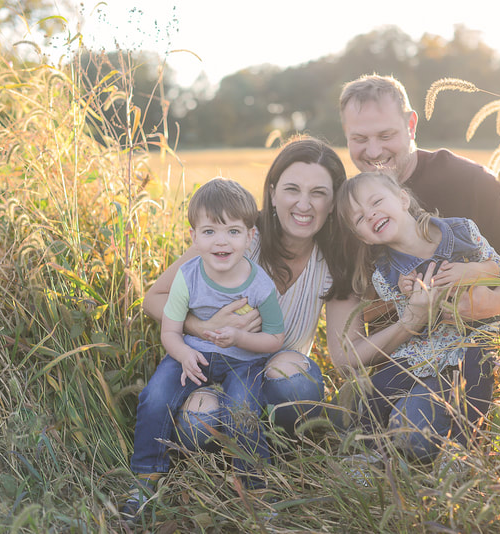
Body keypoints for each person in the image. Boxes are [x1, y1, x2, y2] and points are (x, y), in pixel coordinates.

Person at [325, 74, 500, 454]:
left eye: (386, 135)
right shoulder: (355, 214)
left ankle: (456, 451)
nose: (373, 150)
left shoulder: (466, 181)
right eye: (359, 139)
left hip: (474, 351)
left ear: (411, 124)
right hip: (407, 360)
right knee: (353, 414)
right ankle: (367, 452)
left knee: (410, 433)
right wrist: (406, 314)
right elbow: (347, 350)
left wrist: (492, 302)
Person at [140, 136, 352, 457]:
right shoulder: (234, 237)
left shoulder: (333, 261)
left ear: (333, 202)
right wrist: (203, 327)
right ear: (272, 192)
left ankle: (279, 449)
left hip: (274, 380)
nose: (304, 204)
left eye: (319, 193)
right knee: (199, 422)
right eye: (292, 189)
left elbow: (345, 354)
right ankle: (224, 454)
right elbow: (154, 298)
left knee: (294, 382)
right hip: (215, 371)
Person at [122, 178, 285, 520]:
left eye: (232, 231)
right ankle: (145, 479)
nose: (221, 241)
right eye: (209, 232)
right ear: (194, 238)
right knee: (154, 396)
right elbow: (170, 329)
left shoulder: (260, 285)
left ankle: (255, 491)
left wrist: (240, 339)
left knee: (241, 407)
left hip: (245, 361)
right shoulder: (187, 276)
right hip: (192, 354)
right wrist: (181, 354)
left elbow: (274, 340)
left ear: (249, 237)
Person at [335, 171, 500, 461]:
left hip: (476, 334)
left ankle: (462, 450)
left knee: (476, 366)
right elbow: (413, 318)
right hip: (426, 348)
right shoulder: (386, 273)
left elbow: (496, 266)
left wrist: (471, 271)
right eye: (359, 218)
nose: (370, 215)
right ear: (361, 237)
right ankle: (365, 453)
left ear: (403, 199)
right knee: (369, 390)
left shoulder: (460, 231)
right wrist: (405, 294)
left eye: (376, 201)